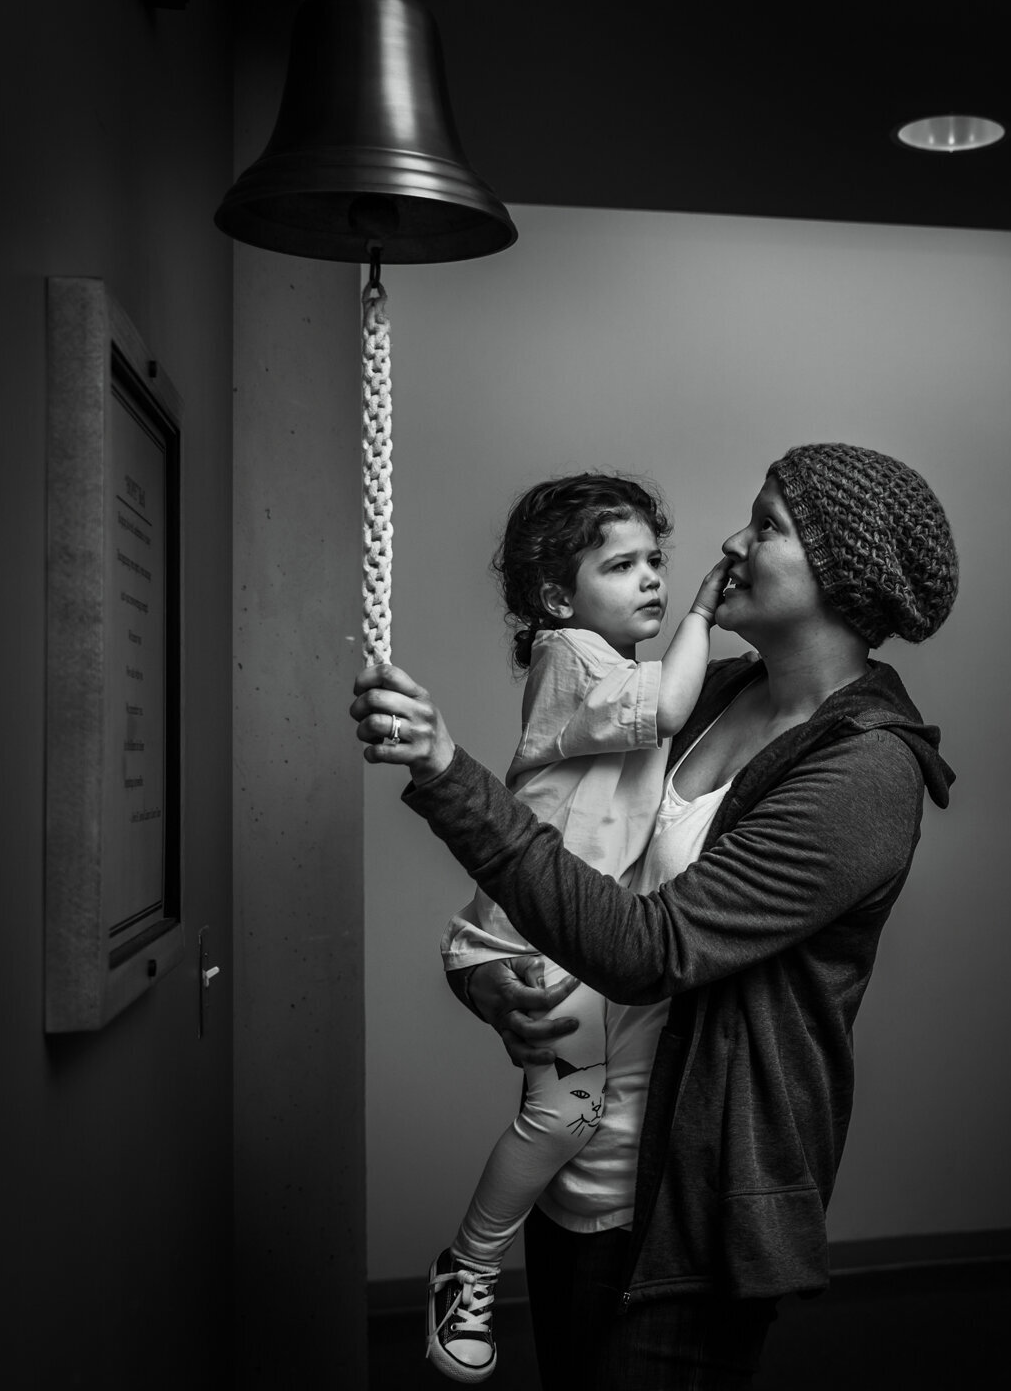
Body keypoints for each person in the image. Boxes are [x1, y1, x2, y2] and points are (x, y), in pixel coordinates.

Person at [352, 443, 959, 1390]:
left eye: (768, 526)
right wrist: (482, 979)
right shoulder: (710, 698)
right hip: (574, 1184)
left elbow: (649, 948)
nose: (731, 542)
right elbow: (573, 853)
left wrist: (445, 772)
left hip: (687, 1225)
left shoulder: (865, 775)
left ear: (841, 569)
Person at [423, 473, 730, 1382]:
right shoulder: (575, 657)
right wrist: (706, 613)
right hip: (540, 931)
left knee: (569, 1109)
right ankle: (469, 1262)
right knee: (567, 1110)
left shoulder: (602, 663)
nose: (652, 581)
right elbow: (672, 705)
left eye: (658, 563)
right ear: (558, 597)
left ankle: (476, 1262)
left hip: (559, 928)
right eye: (622, 564)